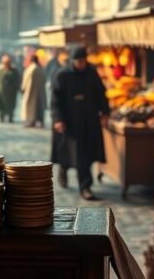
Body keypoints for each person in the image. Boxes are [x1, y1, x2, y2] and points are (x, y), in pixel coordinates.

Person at [50, 47, 109, 200]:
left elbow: (101, 93)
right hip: (68, 120)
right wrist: (57, 119)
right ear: (73, 61)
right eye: (79, 62)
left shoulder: (92, 73)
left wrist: (105, 112)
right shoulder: (62, 75)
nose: (82, 64)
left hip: (88, 120)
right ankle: (63, 169)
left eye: (83, 61)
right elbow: (55, 99)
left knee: (85, 155)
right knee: (67, 152)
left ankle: (85, 187)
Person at [20, 54, 46, 128]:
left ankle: (31, 120)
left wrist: (23, 88)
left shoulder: (31, 68)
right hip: (39, 91)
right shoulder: (40, 68)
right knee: (39, 106)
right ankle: (39, 120)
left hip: (30, 91)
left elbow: (26, 79)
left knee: (31, 107)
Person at [0, 54, 20, 123]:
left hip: (10, 92)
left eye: (7, 62)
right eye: (4, 62)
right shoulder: (0, 70)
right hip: (0, 91)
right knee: (1, 105)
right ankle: (1, 116)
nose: (6, 64)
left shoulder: (13, 71)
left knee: (10, 105)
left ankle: (10, 117)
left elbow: (16, 81)